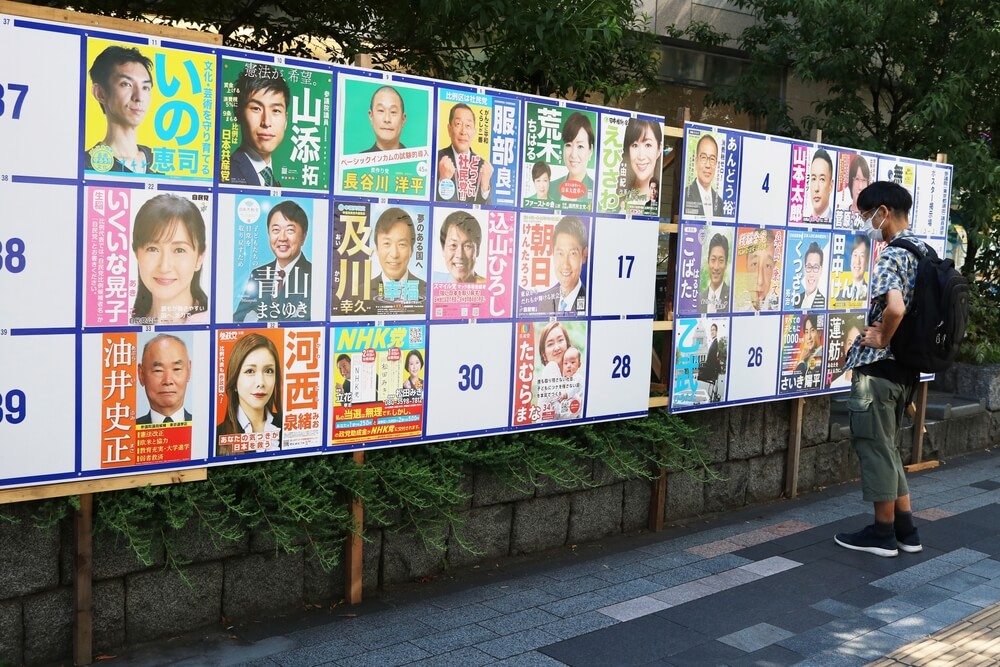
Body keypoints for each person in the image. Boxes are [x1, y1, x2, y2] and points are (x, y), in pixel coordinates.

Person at [834, 181, 924, 558]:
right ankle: (906, 531)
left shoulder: (892, 255)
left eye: (866, 215)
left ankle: (882, 534)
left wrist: (880, 339)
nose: (866, 223)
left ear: (883, 212)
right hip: (906, 371)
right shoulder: (922, 251)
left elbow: (896, 309)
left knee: (874, 449)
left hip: (880, 372)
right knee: (888, 449)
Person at [130, 194, 209, 325]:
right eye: (153, 249)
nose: (164, 267)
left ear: (200, 257)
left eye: (179, 250)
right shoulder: (126, 324)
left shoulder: (210, 321)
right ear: (137, 253)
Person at [233, 201, 312, 322]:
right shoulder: (259, 274)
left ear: (303, 236)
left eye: (290, 230)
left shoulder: (314, 275)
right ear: (269, 233)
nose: (282, 238)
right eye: (276, 230)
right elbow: (238, 318)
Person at [85, 45, 159, 174]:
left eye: (145, 87)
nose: (139, 97)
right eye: (126, 84)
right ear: (100, 93)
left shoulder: (160, 166)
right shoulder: (85, 165)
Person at [217, 333, 282, 455]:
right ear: (234, 379)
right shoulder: (217, 436)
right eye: (250, 371)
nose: (261, 383)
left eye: (269, 371)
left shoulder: (287, 425)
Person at [227, 64, 290, 187]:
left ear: (286, 120)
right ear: (238, 113)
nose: (266, 122)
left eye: (276, 110)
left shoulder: (275, 183)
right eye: (256, 108)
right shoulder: (223, 174)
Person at [436, 103, 493, 204]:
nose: (463, 131)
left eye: (468, 126)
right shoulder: (436, 159)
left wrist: (484, 188)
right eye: (458, 124)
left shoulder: (483, 167)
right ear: (449, 129)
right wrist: (444, 181)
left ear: (474, 132)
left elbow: (488, 210)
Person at [370, 207, 426, 303]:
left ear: (411, 250)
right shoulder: (361, 292)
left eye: (402, 244)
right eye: (387, 243)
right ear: (377, 249)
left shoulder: (426, 292)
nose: (394, 254)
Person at [535, 216, 588, 313]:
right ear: (553, 253)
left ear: (584, 255)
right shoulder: (545, 301)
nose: (565, 265)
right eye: (560, 253)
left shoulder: (590, 301)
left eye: (572, 254)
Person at [136, 334, 192, 425]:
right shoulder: (126, 432)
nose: (168, 381)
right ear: (141, 374)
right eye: (158, 370)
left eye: (176, 369)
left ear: (189, 371)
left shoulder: (204, 426)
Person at [550, 112, 595, 204]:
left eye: (580, 146)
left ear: (590, 150)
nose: (573, 155)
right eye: (568, 145)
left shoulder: (597, 191)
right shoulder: (550, 187)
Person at [621, 119, 663, 211]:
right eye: (635, 145)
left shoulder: (659, 201)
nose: (641, 156)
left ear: (659, 149)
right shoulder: (617, 199)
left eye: (648, 145)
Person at [683, 133, 724, 217]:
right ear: (696, 161)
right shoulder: (685, 195)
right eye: (704, 157)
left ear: (716, 164)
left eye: (712, 159)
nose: (708, 165)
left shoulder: (719, 202)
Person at [439, 211, 485, 283]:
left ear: (478, 250)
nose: (460, 255)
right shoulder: (433, 283)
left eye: (467, 246)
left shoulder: (491, 288)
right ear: (443, 249)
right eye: (453, 245)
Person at [364, 86, 406, 152]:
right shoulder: (358, 160)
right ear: (371, 116)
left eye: (393, 112)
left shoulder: (417, 160)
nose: (387, 119)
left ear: (403, 119)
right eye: (381, 110)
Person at [746, 229, 779, 311]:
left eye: (767, 265)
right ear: (746, 263)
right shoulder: (733, 305)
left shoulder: (779, 307)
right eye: (754, 264)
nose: (760, 281)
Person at [699, 233, 730, 313]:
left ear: (726, 264)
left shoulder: (732, 297)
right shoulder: (699, 299)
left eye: (721, 261)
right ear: (708, 262)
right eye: (713, 260)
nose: (716, 267)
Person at [836, 235, 871, 302]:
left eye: (862, 256)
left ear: (867, 261)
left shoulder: (871, 293)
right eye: (855, 255)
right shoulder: (840, 294)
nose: (857, 261)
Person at [795, 241, 826, 309]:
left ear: (821, 270)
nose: (811, 274)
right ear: (804, 268)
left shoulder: (824, 303)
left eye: (815, 267)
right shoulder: (796, 300)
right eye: (809, 267)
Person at [794, 315, 824, 379]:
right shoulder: (808, 356)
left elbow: (796, 381)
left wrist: (801, 361)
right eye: (806, 332)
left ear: (819, 332)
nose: (809, 337)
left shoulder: (820, 356)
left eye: (812, 330)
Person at [808, 148, 834, 221]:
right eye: (813, 179)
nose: (816, 188)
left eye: (822, 179)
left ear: (830, 186)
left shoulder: (834, 220)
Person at [697, 324, 721, 400]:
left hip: (711, 370)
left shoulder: (715, 344)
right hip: (712, 369)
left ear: (717, 331)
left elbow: (712, 359)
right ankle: (713, 395)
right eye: (711, 330)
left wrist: (704, 365)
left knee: (700, 373)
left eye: (713, 330)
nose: (712, 332)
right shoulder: (713, 343)